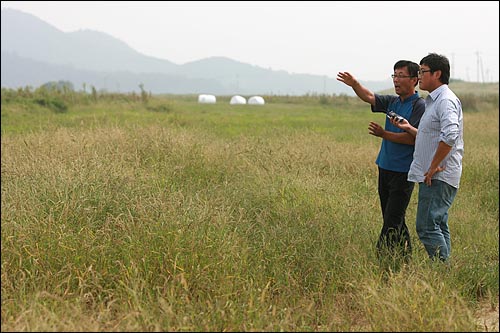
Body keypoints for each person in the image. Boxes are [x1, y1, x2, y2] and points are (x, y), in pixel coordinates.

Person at [337, 60, 425, 259]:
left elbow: (414, 139)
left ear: (414, 80)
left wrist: (384, 134)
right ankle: (405, 257)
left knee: (392, 220)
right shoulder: (392, 102)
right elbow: (369, 96)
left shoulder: (419, 106)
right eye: (394, 75)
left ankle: (381, 258)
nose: (396, 80)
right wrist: (354, 84)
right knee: (393, 217)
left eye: (401, 76)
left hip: (404, 172)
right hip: (384, 167)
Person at [390, 53, 463, 262]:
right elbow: (432, 135)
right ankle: (445, 272)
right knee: (438, 224)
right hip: (434, 173)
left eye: (423, 71)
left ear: (437, 74)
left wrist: (433, 166)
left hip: (437, 174)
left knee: (426, 225)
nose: (419, 76)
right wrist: (409, 128)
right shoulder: (434, 100)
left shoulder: (445, 101)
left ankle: (442, 269)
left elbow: (450, 135)